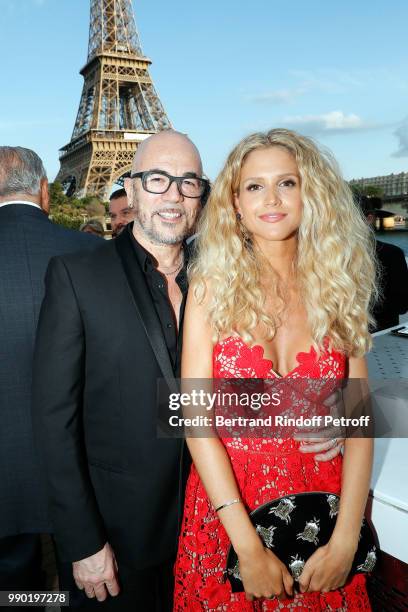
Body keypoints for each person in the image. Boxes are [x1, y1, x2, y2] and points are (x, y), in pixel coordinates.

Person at [174, 129, 376, 610]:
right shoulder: (208, 290)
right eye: (254, 186)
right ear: (235, 204)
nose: (272, 198)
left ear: (313, 193)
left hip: (322, 505)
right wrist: (247, 547)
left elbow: (361, 416)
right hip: (229, 511)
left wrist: (348, 538)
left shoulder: (338, 286)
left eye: (287, 182)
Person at [32, 131, 210, 611]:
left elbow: (242, 389)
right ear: (130, 190)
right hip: (116, 539)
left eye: (188, 181)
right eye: (157, 179)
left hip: (212, 529)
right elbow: (54, 420)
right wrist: (82, 542)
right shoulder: (76, 276)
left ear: (202, 195)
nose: (173, 194)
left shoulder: (227, 279)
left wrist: (334, 415)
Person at [0, 146, 101, 603]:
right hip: (88, 461)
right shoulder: (96, 253)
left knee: (13, 587)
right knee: (90, 583)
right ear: (45, 191)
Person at [359, 196, 408, 331]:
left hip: (377, 337)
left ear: (368, 219)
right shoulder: (392, 254)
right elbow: (401, 306)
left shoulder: (392, 255)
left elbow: (401, 305)